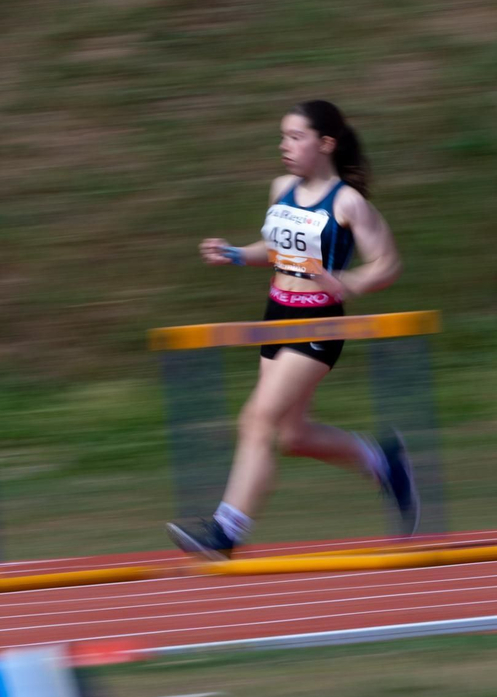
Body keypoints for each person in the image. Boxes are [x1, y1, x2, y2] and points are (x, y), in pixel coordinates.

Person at [167, 100, 417, 560]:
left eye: (296, 137)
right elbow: (278, 247)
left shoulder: (347, 202)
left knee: (257, 419)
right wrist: (238, 253)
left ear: (326, 144)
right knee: (290, 435)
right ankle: (384, 463)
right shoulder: (281, 187)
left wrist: (347, 282)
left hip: (318, 321)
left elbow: (388, 263)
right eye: (283, 137)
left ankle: (226, 530)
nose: (285, 146)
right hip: (276, 315)